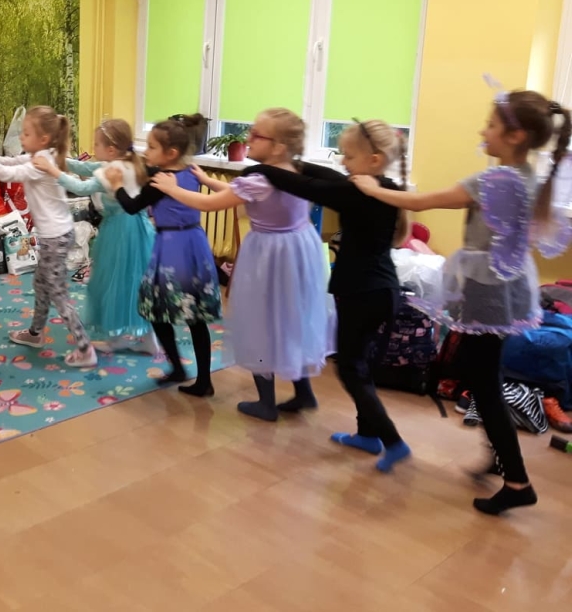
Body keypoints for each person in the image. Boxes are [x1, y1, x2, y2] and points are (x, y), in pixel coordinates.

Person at [352, 90, 572, 513]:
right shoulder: (528, 176)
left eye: (491, 125)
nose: (482, 131)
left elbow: (421, 201)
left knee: (483, 381)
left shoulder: (493, 182)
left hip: (488, 292)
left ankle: (518, 481)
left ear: (515, 135)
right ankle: (498, 455)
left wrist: (371, 188)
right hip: (507, 287)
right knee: (481, 372)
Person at [246, 119, 412, 472]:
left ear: (374, 160)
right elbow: (326, 177)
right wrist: (293, 160)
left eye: (349, 156)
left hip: (362, 293)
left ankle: (393, 442)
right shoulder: (384, 187)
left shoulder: (358, 194)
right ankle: (367, 435)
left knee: (350, 371)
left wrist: (262, 168)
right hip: (383, 291)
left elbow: (308, 186)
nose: (343, 163)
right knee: (360, 367)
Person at [151, 109, 329, 420]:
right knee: (290, 321)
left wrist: (171, 188)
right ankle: (304, 392)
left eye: (256, 134)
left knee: (260, 323)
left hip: (271, 256)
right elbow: (238, 194)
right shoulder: (292, 171)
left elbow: (209, 205)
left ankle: (266, 403)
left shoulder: (261, 179)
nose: (247, 138)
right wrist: (206, 179)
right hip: (298, 251)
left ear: (278, 146)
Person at [0, 105, 97, 368]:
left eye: (26, 133)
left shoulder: (41, 163)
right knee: (41, 285)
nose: (21, 137)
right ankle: (35, 333)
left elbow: (6, 173)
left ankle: (85, 348)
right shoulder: (39, 155)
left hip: (55, 239)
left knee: (58, 294)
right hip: (54, 237)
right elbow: (7, 162)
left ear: (43, 139)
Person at [105, 114, 221, 396]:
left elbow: (132, 206)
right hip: (195, 242)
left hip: (172, 248)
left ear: (171, 153)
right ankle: (201, 378)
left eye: (152, 146)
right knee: (194, 316)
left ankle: (182, 370)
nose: (146, 151)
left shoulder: (160, 181)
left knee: (158, 311)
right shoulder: (190, 170)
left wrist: (117, 185)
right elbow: (150, 171)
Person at [32, 119, 157, 354]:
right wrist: (59, 159)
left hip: (120, 232)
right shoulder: (130, 162)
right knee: (134, 283)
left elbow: (81, 187)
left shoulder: (111, 170)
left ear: (110, 149)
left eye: (96, 144)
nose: (93, 147)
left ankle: (116, 338)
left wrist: (52, 169)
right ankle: (148, 338)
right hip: (139, 229)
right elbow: (85, 168)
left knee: (111, 283)